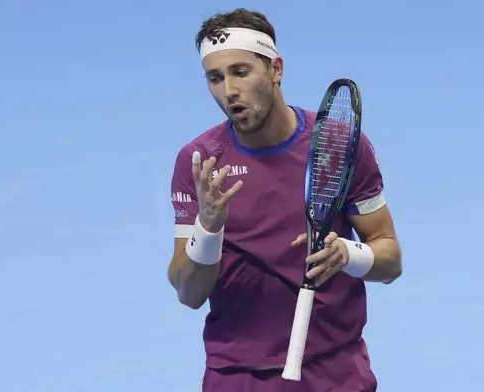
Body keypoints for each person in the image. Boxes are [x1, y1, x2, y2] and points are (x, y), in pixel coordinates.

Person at [168, 8, 402, 392]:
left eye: (240, 72)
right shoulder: (200, 163)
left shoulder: (336, 146)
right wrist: (208, 228)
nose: (228, 91)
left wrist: (347, 254)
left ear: (275, 69)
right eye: (215, 78)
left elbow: (390, 259)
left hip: (335, 372)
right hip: (237, 376)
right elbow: (188, 293)